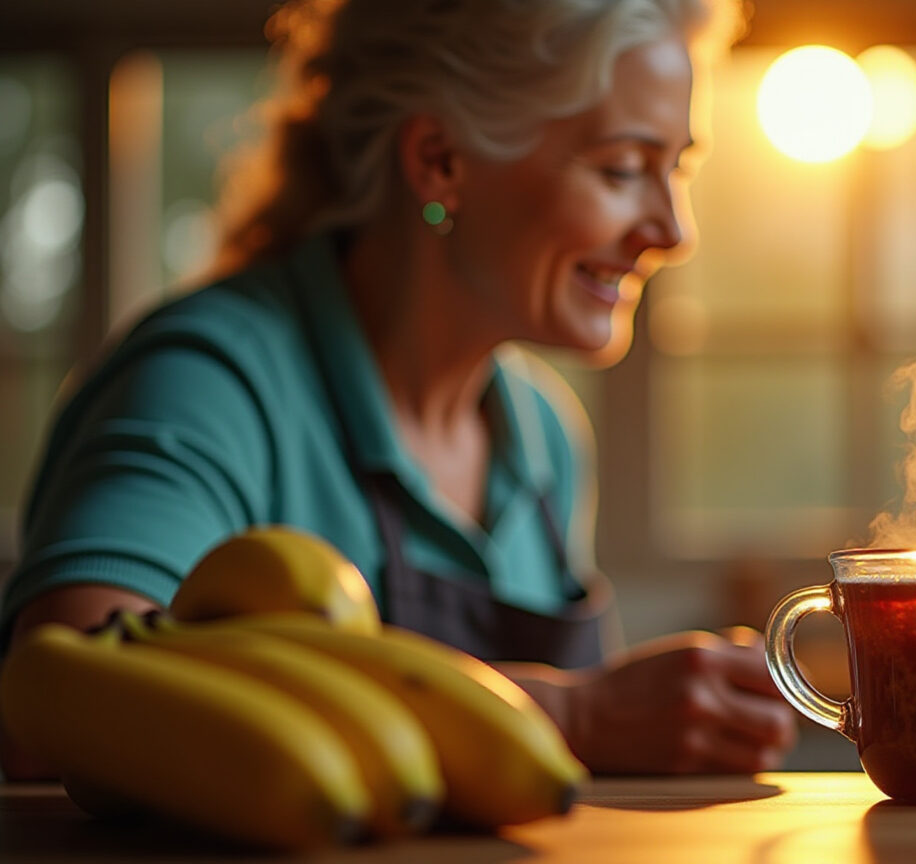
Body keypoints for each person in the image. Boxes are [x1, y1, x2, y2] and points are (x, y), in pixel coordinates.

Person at [0, 0, 798, 780]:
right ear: (439, 160)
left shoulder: (544, 434)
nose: (674, 229)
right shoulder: (203, 385)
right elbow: (50, 706)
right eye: (623, 168)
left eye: (677, 169)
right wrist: (575, 715)